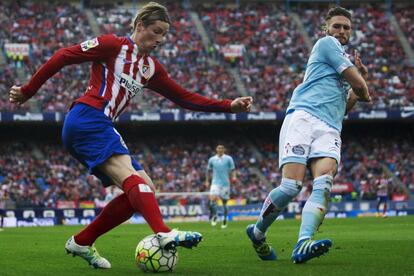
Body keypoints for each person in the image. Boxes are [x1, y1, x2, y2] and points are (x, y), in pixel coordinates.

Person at [9, 2, 252, 269]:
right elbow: (64, 55)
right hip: (88, 117)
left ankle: (82, 241)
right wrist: (28, 90)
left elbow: (184, 98)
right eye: (156, 32)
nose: (159, 40)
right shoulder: (112, 45)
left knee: (144, 187)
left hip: (99, 125)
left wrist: (228, 105)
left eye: (164, 35)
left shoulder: (150, 68)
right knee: (134, 180)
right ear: (140, 26)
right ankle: (164, 231)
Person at [246, 6, 370, 263]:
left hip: (330, 126)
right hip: (304, 117)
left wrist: (358, 91)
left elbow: (344, 107)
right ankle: (257, 232)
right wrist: (363, 87)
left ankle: (303, 242)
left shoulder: (343, 61)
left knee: (324, 181)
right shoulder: (327, 44)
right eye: (337, 26)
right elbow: (362, 87)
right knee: (291, 186)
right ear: (327, 28)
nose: (342, 31)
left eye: (346, 27)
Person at [205, 145, 236, 228]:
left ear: (224, 149)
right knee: (212, 200)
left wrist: (234, 177)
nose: (220, 149)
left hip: (225, 183)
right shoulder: (212, 159)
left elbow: (233, 169)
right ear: (216, 149)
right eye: (219, 148)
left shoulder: (229, 158)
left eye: (222, 148)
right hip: (215, 183)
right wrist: (207, 181)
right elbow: (208, 170)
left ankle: (225, 219)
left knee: (224, 203)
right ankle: (215, 216)